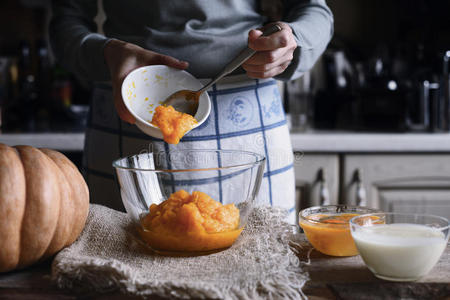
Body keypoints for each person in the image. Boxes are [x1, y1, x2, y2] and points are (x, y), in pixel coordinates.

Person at [50, 0, 333, 223]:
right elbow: (66, 21)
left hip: (247, 115)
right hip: (128, 105)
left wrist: (293, 39)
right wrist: (106, 52)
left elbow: (315, 10)